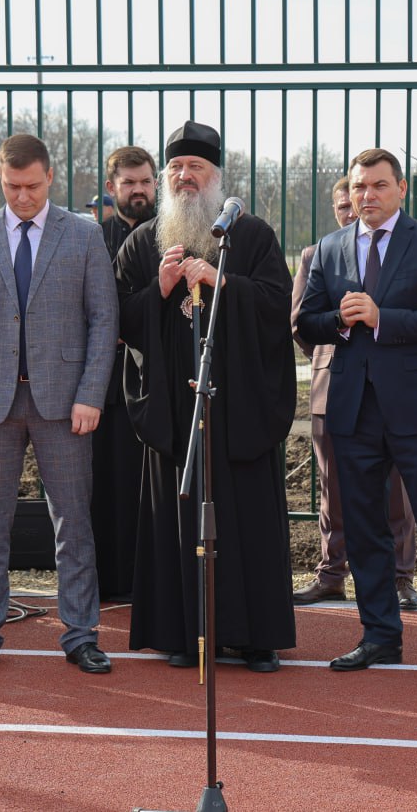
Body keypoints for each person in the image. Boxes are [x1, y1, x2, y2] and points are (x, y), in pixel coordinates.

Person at [117, 120, 296, 673]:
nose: (183, 176)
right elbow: (117, 319)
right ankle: (181, 630)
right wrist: (162, 290)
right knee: (179, 516)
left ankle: (254, 636)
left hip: (237, 407)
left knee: (245, 519)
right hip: (175, 410)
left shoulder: (254, 236)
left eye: (195, 168)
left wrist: (223, 283)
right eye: (176, 168)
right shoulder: (142, 242)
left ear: (217, 176)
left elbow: (275, 308)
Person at [297, 148, 417, 681]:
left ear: (401, 189)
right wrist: (340, 319)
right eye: (359, 188)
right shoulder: (330, 248)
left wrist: (381, 318)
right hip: (352, 412)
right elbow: (307, 321)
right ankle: (379, 635)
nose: (367, 196)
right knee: (365, 528)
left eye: (378, 186)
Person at [0, 134, 118, 675]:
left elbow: (103, 320)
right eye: (13, 186)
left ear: (50, 178)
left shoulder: (85, 235)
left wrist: (91, 394)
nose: (23, 197)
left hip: (64, 405)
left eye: (33, 186)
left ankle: (81, 633)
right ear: (0, 177)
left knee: (73, 522)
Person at [291, 175, 417, 609]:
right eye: (344, 206)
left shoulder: (403, 251)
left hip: (393, 386)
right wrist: (340, 344)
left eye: (358, 203)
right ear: (336, 210)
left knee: (396, 488)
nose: (352, 211)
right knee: (333, 487)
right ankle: (332, 573)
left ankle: (401, 577)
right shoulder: (317, 254)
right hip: (334, 386)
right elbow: (300, 323)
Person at [91, 145, 157, 602]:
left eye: (145, 182)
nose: (138, 190)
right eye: (129, 183)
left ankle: (153, 584)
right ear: (112, 189)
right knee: (108, 487)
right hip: (105, 387)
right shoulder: (90, 238)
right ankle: (112, 583)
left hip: (158, 383)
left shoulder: (174, 234)